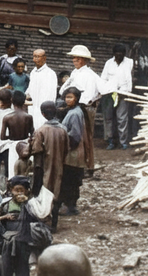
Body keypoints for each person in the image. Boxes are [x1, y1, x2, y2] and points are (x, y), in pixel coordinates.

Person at [59, 45, 99, 171]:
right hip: (75, 106)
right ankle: (78, 163)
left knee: (86, 136)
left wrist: (79, 103)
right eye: (74, 58)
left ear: (84, 60)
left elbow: (90, 95)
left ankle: (88, 165)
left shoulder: (89, 75)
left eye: (78, 58)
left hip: (85, 107)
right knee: (77, 135)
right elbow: (63, 89)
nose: (74, 60)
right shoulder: (75, 73)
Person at [30, 101, 68, 228]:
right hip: (60, 166)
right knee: (57, 192)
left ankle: (45, 220)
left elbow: (37, 150)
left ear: (43, 114)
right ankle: (54, 222)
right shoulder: (63, 130)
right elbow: (67, 148)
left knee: (44, 192)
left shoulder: (41, 131)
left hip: (44, 166)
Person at [57, 87, 86, 218]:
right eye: (67, 97)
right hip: (73, 151)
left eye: (71, 97)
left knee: (70, 179)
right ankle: (70, 205)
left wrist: (66, 147)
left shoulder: (74, 114)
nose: (68, 100)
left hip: (72, 152)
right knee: (72, 180)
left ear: (77, 98)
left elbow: (75, 135)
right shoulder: (73, 111)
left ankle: (70, 206)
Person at [100, 43, 134, 150]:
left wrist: (127, 91)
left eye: (121, 54)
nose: (119, 56)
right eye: (117, 54)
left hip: (123, 93)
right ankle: (110, 141)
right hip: (109, 93)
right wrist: (103, 90)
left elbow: (130, 78)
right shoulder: (109, 63)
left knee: (122, 118)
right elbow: (103, 78)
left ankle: (123, 142)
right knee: (108, 117)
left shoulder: (129, 62)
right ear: (114, 54)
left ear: (124, 54)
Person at [26, 50, 58, 129]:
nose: (36, 59)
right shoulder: (33, 72)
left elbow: (51, 95)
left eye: (38, 57)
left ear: (44, 58)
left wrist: (46, 109)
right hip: (32, 107)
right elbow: (30, 89)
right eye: (34, 57)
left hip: (44, 109)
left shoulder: (50, 74)